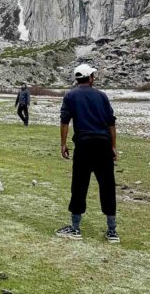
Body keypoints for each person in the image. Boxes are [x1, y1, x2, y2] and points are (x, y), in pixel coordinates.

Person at [55, 64, 119, 243]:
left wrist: (63, 144)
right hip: (103, 144)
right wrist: (113, 146)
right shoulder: (102, 96)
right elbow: (111, 123)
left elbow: (65, 121)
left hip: (83, 145)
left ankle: (75, 228)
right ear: (90, 78)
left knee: (79, 185)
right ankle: (112, 231)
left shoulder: (70, 96)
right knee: (107, 185)